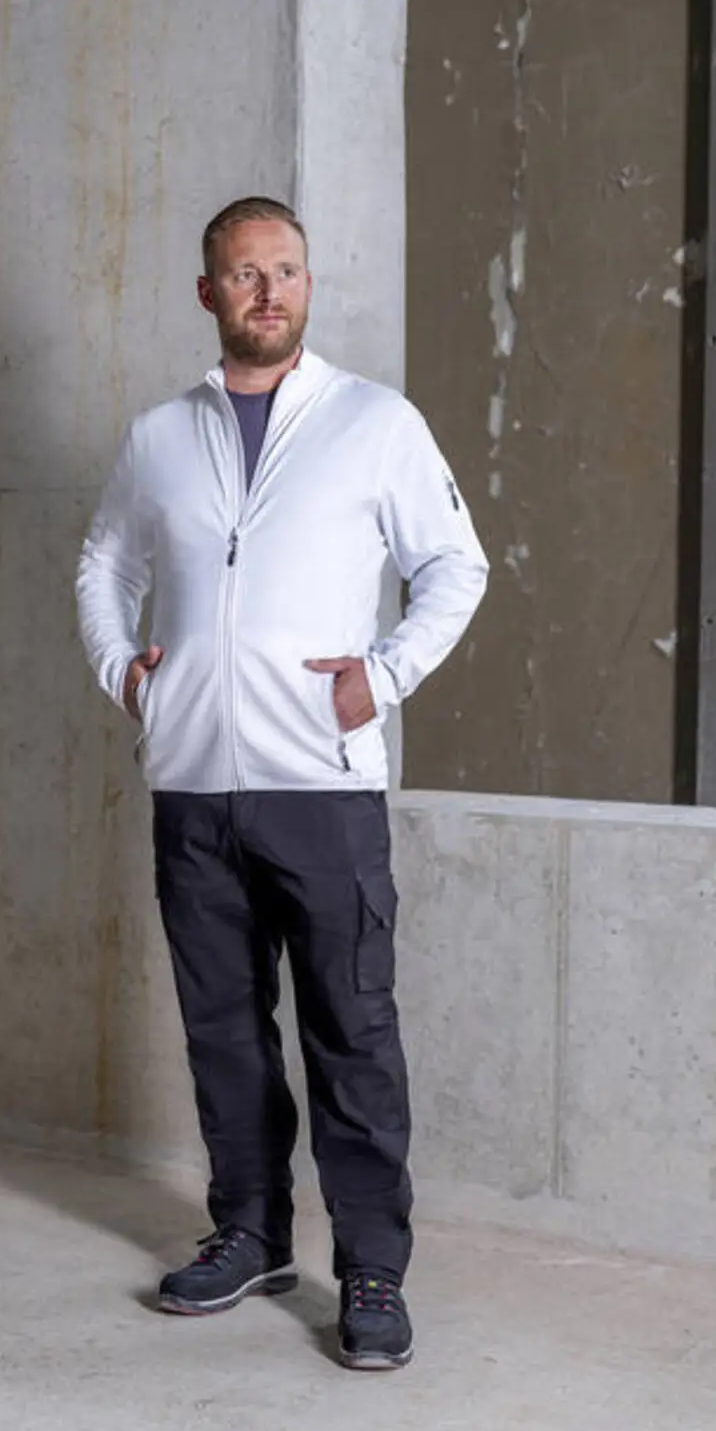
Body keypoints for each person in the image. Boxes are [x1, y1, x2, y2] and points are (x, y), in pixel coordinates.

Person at [76, 196, 488, 1371]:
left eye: (287, 271)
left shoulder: (373, 423)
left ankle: (371, 1270)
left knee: (350, 1032)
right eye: (246, 273)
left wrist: (384, 676)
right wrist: (124, 669)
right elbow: (104, 559)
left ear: (308, 283)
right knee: (223, 1030)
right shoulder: (161, 435)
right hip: (193, 785)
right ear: (208, 291)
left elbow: (454, 565)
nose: (269, 291)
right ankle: (250, 1233)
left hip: (323, 786)